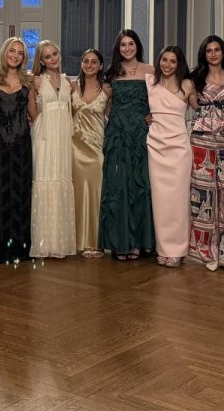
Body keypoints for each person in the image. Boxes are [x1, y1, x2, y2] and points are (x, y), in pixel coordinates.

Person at [99, 29, 155, 260]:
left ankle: (138, 242)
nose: (127, 48)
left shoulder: (150, 70)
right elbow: (105, 104)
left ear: (137, 46)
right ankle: (119, 242)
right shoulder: (112, 72)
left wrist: (153, 115)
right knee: (117, 185)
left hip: (140, 132)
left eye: (131, 44)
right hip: (118, 132)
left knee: (139, 184)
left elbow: (159, 99)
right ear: (118, 48)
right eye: (123, 45)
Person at [188, 35, 224, 272]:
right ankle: (206, 253)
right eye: (208, 50)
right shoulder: (195, 79)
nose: (213, 54)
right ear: (204, 54)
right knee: (203, 195)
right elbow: (188, 105)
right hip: (202, 140)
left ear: (223, 52)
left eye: (216, 49)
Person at [147, 46, 196, 267]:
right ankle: (163, 248)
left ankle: (178, 249)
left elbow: (204, 108)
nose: (167, 64)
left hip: (179, 148)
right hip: (155, 146)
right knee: (160, 200)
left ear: (179, 64)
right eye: (164, 60)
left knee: (178, 199)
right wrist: (146, 117)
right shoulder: (150, 82)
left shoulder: (188, 85)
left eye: (173, 61)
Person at [29, 40, 76, 258]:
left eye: (54, 54)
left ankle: (61, 243)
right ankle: (43, 242)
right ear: (41, 60)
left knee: (61, 178)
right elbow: (32, 111)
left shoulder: (68, 82)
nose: (52, 59)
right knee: (44, 179)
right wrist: (43, 128)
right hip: (45, 136)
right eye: (47, 56)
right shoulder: (36, 81)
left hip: (63, 137)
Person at [0, 37, 33, 263]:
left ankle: (21, 247)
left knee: (21, 194)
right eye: (12, 51)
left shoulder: (29, 81)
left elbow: (35, 114)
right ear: (4, 53)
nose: (15, 55)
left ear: (24, 58)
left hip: (22, 144)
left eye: (20, 53)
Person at [71, 49, 110, 258]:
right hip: (75, 148)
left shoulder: (108, 89)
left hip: (97, 148)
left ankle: (96, 242)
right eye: (86, 61)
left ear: (101, 66)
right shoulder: (72, 86)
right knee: (77, 193)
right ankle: (78, 241)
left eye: (94, 62)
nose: (89, 65)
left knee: (96, 193)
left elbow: (117, 113)